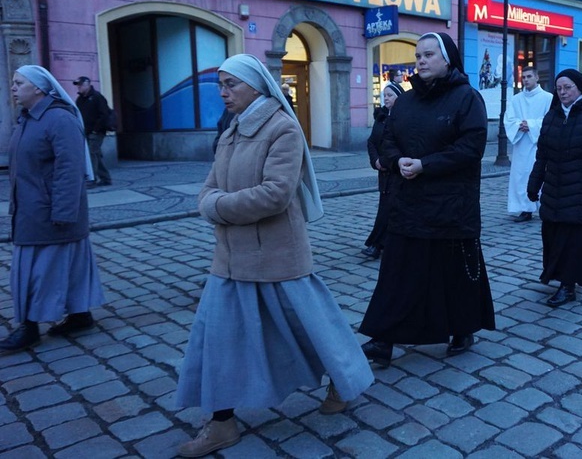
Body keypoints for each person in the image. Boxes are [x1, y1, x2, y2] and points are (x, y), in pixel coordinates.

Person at [174, 54, 373, 458]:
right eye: (221, 84)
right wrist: (213, 201)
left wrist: (216, 207)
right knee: (218, 339)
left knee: (311, 330)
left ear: (256, 85)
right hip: (230, 261)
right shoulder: (231, 130)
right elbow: (208, 186)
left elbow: (275, 194)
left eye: (231, 84)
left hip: (277, 256)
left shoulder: (282, 128)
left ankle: (343, 381)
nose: (224, 92)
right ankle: (222, 423)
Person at [358, 32, 495, 366]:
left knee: (455, 275)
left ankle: (463, 328)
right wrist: (396, 161)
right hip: (409, 203)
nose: (420, 60)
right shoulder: (405, 100)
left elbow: (471, 148)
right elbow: (387, 138)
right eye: (418, 55)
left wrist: (425, 165)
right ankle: (383, 339)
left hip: (451, 206)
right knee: (397, 274)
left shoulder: (467, 98)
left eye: (428, 55)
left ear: (447, 59)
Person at [1, 66, 104, 354]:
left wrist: (63, 212)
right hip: (31, 210)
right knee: (65, 268)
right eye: (13, 82)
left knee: (39, 271)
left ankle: (29, 326)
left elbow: (70, 170)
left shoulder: (58, 119)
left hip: (50, 213)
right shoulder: (28, 119)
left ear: (38, 88)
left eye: (19, 82)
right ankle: (80, 315)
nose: (13, 87)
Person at [527, 69, 582, 307]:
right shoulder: (552, 116)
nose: (563, 92)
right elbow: (542, 155)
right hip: (555, 189)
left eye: (568, 87)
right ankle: (557, 276)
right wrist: (534, 184)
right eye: (559, 88)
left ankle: (568, 286)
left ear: (580, 88)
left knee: (575, 241)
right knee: (554, 237)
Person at [504, 66, 553, 222]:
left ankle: (544, 207)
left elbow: (550, 119)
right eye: (523, 77)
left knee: (539, 175)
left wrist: (531, 125)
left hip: (540, 144)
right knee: (520, 177)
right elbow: (509, 119)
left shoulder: (548, 98)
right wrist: (519, 125)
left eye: (529, 76)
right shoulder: (516, 99)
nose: (525, 80)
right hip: (521, 144)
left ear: (537, 77)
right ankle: (524, 209)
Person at [362, 82, 403, 259]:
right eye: (384, 95)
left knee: (388, 210)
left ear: (399, 97)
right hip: (383, 172)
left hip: (396, 171)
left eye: (390, 95)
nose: (386, 98)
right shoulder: (381, 117)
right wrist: (376, 161)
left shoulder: (404, 118)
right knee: (387, 208)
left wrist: (387, 161)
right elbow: (372, 142)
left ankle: (376, 245)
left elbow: (399, 145)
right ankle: (388, 244)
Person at [74, 76, 112, 187]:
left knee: (91, 154)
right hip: (86, 131)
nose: (78, 87)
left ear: (88, 84)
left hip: (97, 132)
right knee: (95, 154)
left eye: (80, 85)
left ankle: (92, 179)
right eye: (77, 85)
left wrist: (96, 130)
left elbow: (104, 115)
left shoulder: (97, 97)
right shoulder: (80, 99)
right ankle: (106, 178)